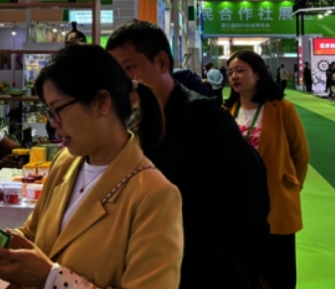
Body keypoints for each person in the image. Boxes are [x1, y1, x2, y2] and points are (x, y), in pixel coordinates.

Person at [0, 44, 183, 288]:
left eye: (58, 110)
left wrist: (51, 278)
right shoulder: (66, 162)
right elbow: (34, 237)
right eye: (48, 112)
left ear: (101, 102)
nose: (54, 124)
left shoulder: (154, 196)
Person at [107, 21, 270, 289]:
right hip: (149, 268)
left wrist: (240, 270)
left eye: (129, 68)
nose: (124, 82)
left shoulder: (207, 120)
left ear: (161, 62)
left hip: (206, 271)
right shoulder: (126, 123)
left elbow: (251, 203)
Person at [225, 51, 310, 289]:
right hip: (238, 203)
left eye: (240, 70)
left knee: (278, 269)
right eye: (230, 72)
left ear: (258, 74)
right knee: (245, 269)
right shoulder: (226, 111)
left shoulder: (282, 109)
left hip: (276, 199)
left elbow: (300, 153)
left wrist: (292, 185)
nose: (234, 76)